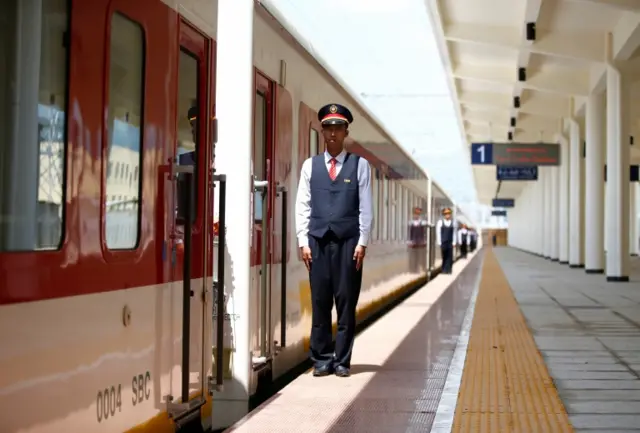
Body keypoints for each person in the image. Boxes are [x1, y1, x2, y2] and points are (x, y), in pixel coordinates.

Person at [295, 103, 373, 378]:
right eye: (328, 128)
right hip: (317, 242)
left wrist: (362, 241)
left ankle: (342, 361)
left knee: (346, 302)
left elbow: (365, 206)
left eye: (338, 128)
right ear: (322, 131)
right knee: (319, 302)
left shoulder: (360, 165)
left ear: (346, 132)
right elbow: (302, 205)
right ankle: (321, 359)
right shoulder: (310, 166)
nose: (332, 133)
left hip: (349, 244)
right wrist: (303, 241)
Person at [436, 207, 456, 274]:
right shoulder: (440, 222)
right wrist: (439, 242)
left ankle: (449, 269)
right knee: (444, 256)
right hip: (443, 242)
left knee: (450, 256)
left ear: (450, 214)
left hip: (450, 242)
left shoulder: (453, 223)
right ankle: (444, 269)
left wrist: (454, 242)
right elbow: (438, 233)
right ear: (443, 214)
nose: (447, 215)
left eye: (448, 213)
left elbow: (454, 233)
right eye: (446, 213)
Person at [407, 206, 427, 273]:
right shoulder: (410, 223)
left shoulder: (422, 222)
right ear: (413, 214)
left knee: (419, 256)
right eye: (415, 213)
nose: (416, 215)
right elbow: (409, 233)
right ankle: (413, 269)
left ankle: (417, 269)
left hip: (420, 242)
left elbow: (424, 233)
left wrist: (424, 241)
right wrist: (409, 241)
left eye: (418, 214)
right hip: (413, 242)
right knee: (413, 257)